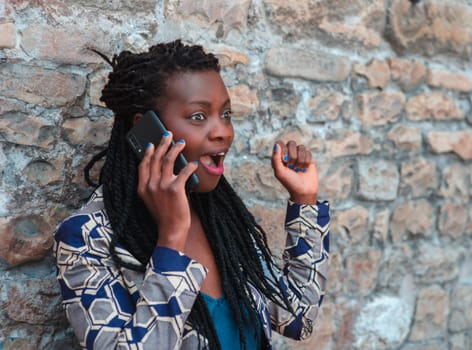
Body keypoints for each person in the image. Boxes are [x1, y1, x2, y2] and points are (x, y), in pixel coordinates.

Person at [53, 40, 330, 350]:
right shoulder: (87, 237)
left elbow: (298, 318)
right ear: (147, 131)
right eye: (198, 116)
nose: (223, 131)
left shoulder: (223, 221)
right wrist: (170, 241)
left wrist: (304, 202)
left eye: (226, 114)